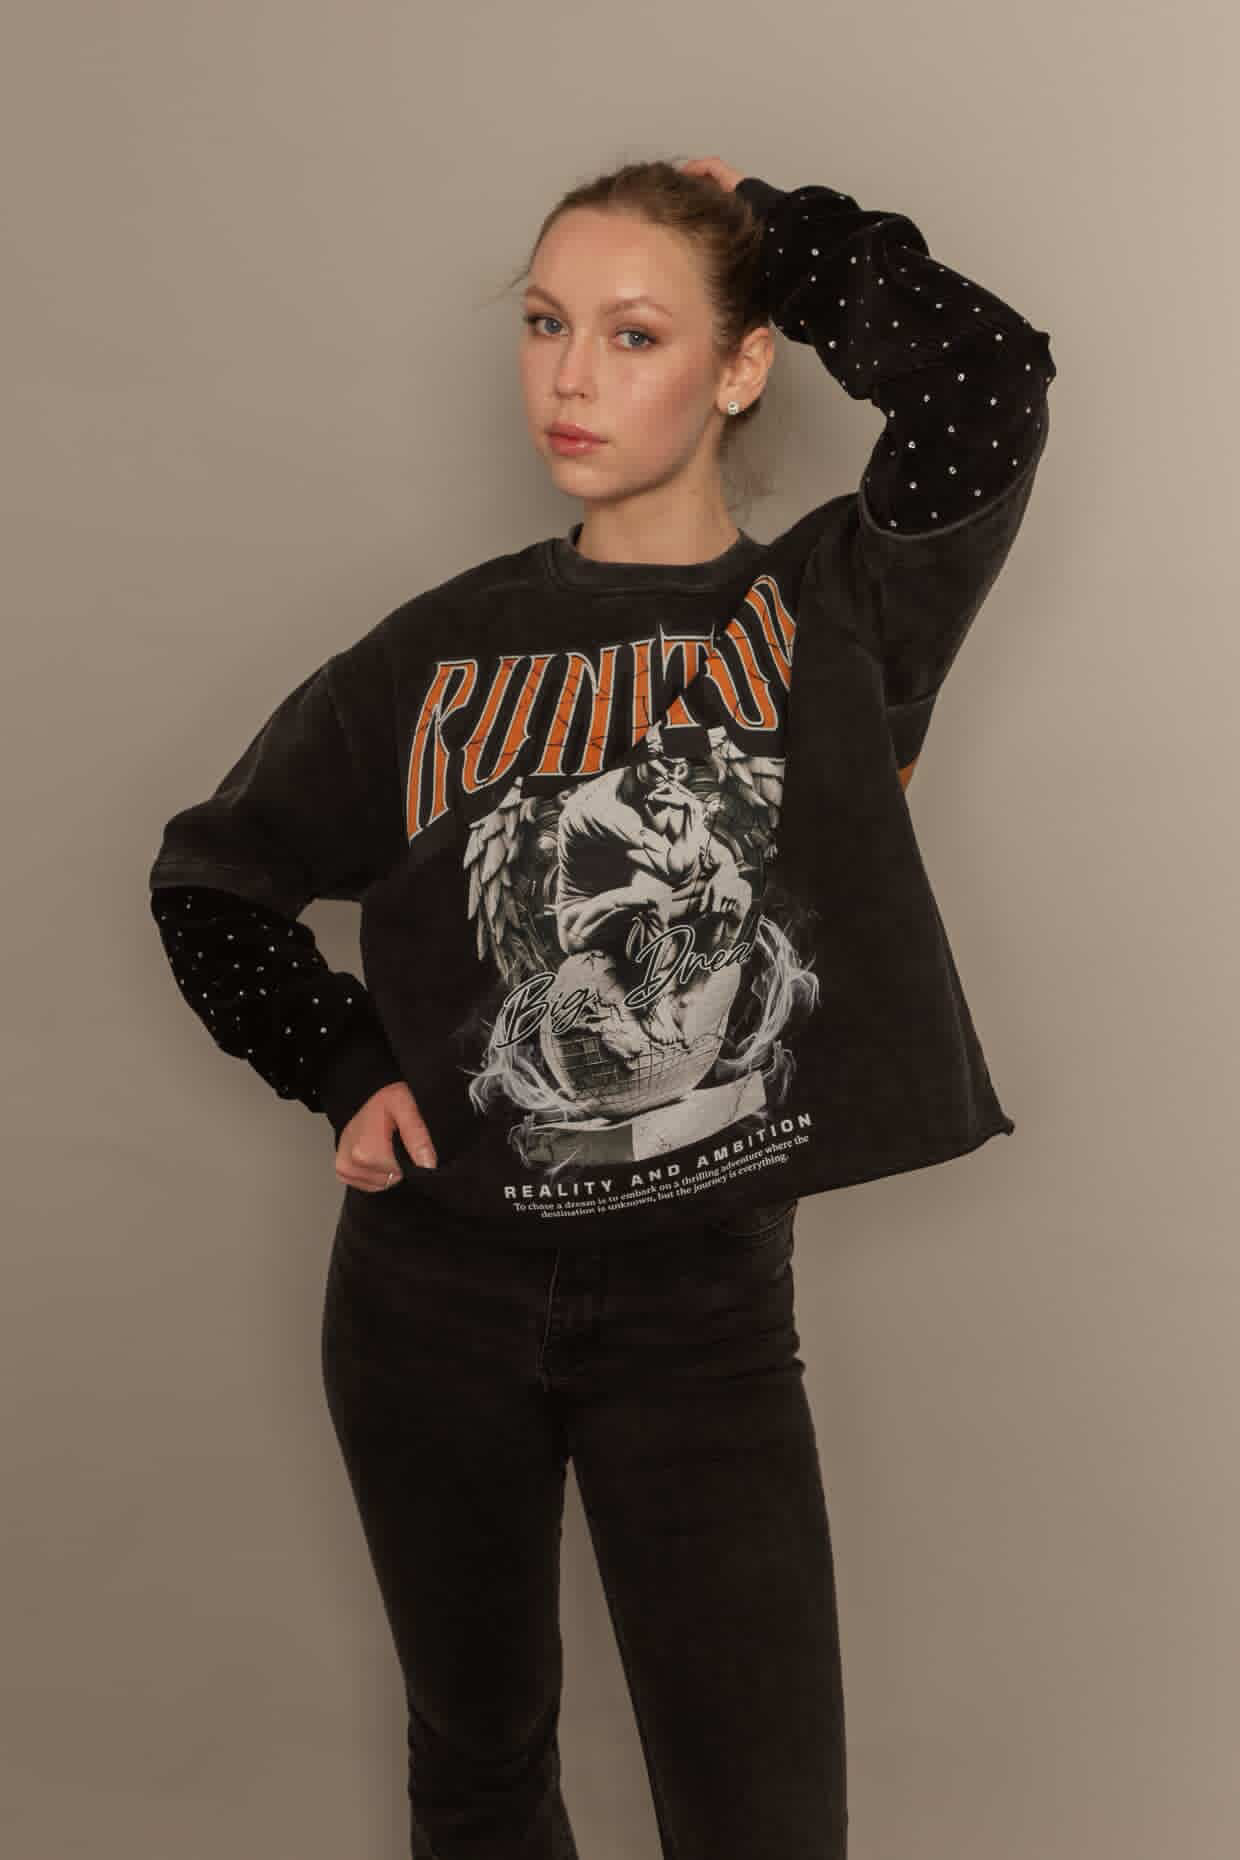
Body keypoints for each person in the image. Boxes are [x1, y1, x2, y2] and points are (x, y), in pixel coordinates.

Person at [148, 153, 1056, 1858]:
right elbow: (212, 875)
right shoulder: (431, 653)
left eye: (635, 334)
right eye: (547, 324)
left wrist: (788, 235)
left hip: (702, 1315)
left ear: (741, 365)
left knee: (761, 1819)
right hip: (428, 1296)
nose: (571, 377)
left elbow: (990, 385)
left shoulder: (833, 616)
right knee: (481, 1773)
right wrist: (338, 1063)